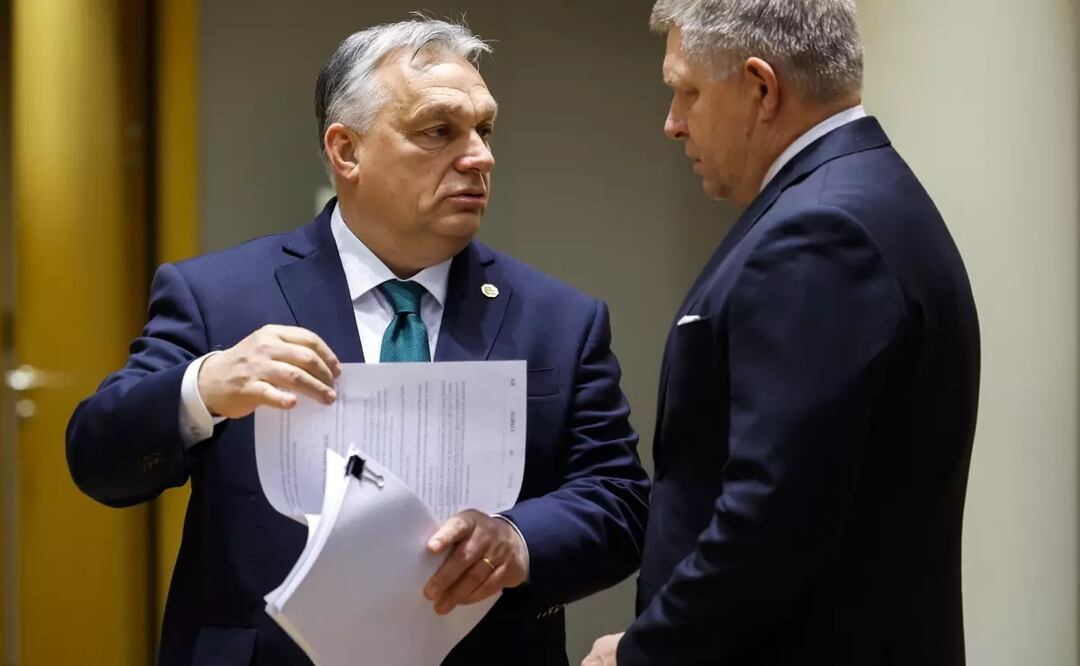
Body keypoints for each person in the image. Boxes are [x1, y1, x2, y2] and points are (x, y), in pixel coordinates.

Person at [66, 17, 650, 666]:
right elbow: (99, 459)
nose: (480, 156)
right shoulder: (218, 297)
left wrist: (518, 540)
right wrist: (202, 388)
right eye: (439, 131)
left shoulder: (559, 320)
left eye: (484, 130)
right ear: (346, 151)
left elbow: (618, 499)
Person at [584, 1, 980, 664]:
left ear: (761, 89)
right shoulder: (870, 194)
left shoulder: (818, 234)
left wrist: (643, 654)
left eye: (686, 92)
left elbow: (772, 520)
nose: (673, 123)